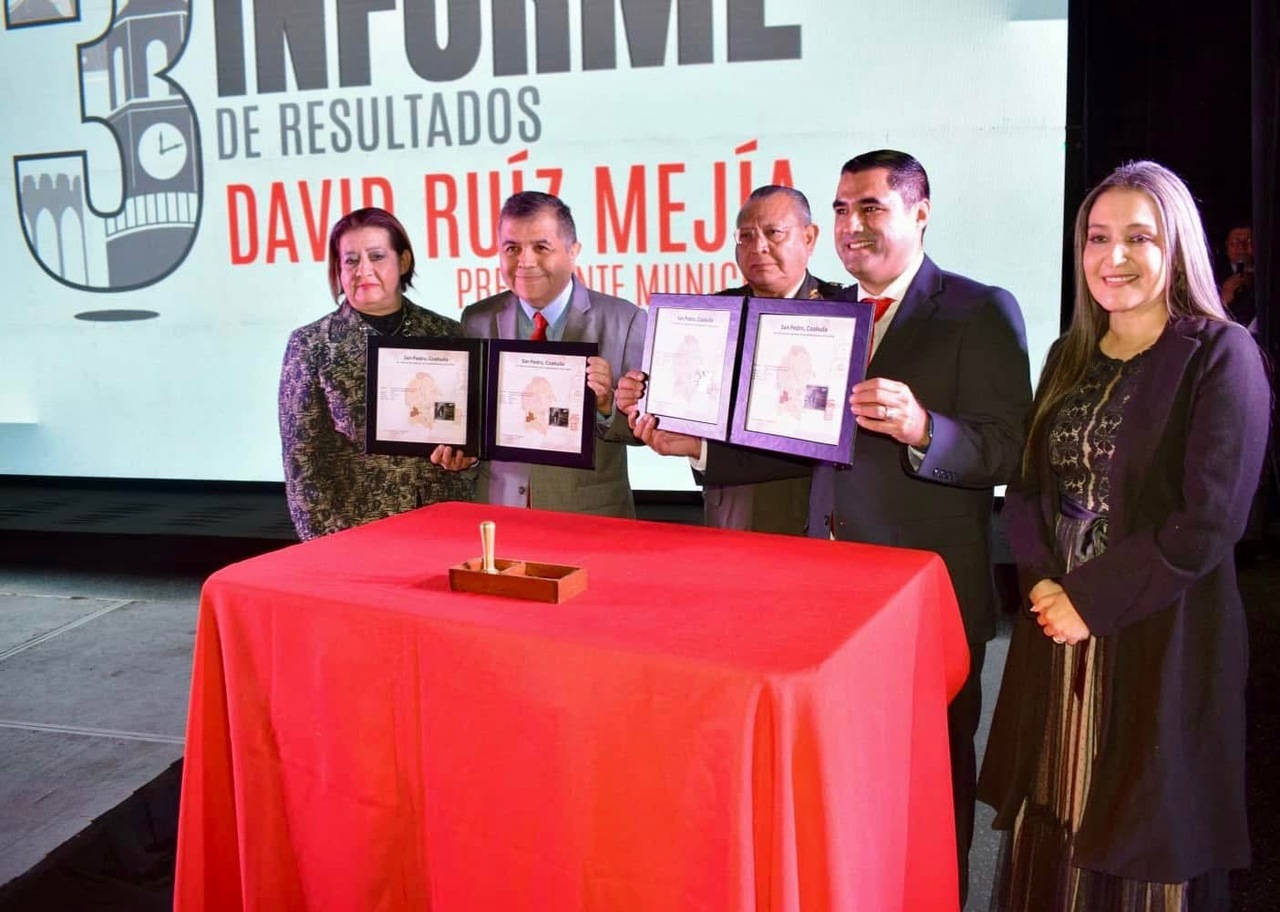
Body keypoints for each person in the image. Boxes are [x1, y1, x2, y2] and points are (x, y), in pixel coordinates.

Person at [619, 150, 1031, 906]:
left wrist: (924, 429)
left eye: (871, 207)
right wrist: (693, 445)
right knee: (842, 783)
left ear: (920, 213)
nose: (851, 224)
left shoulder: (980, 308)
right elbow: (786, 441)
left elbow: (1009, 447)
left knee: (931, 776)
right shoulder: (824, 313)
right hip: (822, 594)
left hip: (922, 598)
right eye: (841, 209)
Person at [977, 161, 1268, 911]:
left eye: (1140, 237)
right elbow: (1029, 490)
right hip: (1055, 633)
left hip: (1161, 631)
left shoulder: (1220, 354)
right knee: (1057, 812)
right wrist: (1044, 584)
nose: (1115, 256)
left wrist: (1089, 601)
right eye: (1099, 238)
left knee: (1144, 831)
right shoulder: (1066, 357)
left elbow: (1210, 518)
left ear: (1177, 247)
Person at [431, 191, 646, 517]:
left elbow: (644, 430)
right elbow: (473, 423)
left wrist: (606, 405)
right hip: (500, 513)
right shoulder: (477, 319)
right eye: (512, 248)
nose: (525, 261)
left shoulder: (624, 320)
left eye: (541, 247)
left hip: (589, 518)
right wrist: (466, 454)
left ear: (573, 252)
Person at [279, 207, 476, 540]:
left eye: (377, 256)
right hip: (356, 535)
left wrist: (468, 458)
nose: (363, 270)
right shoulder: (312, 344)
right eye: (351, 260)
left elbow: (471, 436)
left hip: (445, 526)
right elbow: (301, 465)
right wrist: (324, 546)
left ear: (403, 261)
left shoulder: (447, 334)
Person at [703, 185, 845, 535]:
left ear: (809, 238)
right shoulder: (715, 314)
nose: (758, 247)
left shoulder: (841, 314)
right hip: (731, 514)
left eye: (773, 233)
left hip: (814, 515)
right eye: (746, 236)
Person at [1219, 221, 1255, 330]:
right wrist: (1223, 298)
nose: (1242, 248)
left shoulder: (1268, 274)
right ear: (1226, 246)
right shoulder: (1213, 274)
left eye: (1249, 241)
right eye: (1235, 242)